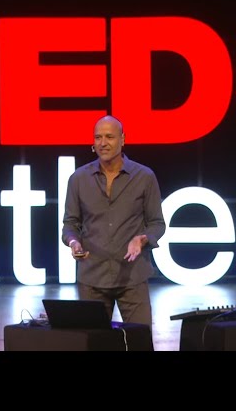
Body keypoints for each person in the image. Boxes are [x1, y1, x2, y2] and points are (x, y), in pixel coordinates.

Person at [62, 115, 166, 336]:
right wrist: (73, 242)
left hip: (132, 276)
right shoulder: (78, 179)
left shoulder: (144, 176)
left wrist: (142, 239)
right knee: (93, 343)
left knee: (140, 340)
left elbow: (157, 223)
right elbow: (70, 224)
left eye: (109, 137)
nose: (103, 143)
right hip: (92, 278)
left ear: (123, 139)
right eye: (98, 137)